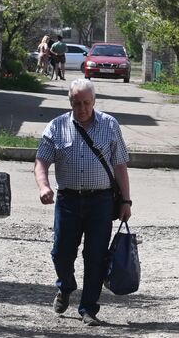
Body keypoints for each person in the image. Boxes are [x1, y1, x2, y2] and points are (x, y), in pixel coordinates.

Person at [34, 78, 133, 327]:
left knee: (96, 256)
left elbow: (120, 165)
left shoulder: (110, 125)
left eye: (86, 103)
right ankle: (66, 285)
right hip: (68, 200)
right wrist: (44, 186)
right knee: (61, 253)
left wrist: (126, 201)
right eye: (77, 103)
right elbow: (41, 162)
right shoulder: (56, 127)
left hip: (101, 201)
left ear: (94, 101)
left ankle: (88, 308)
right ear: (70, 102)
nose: (82, 108)